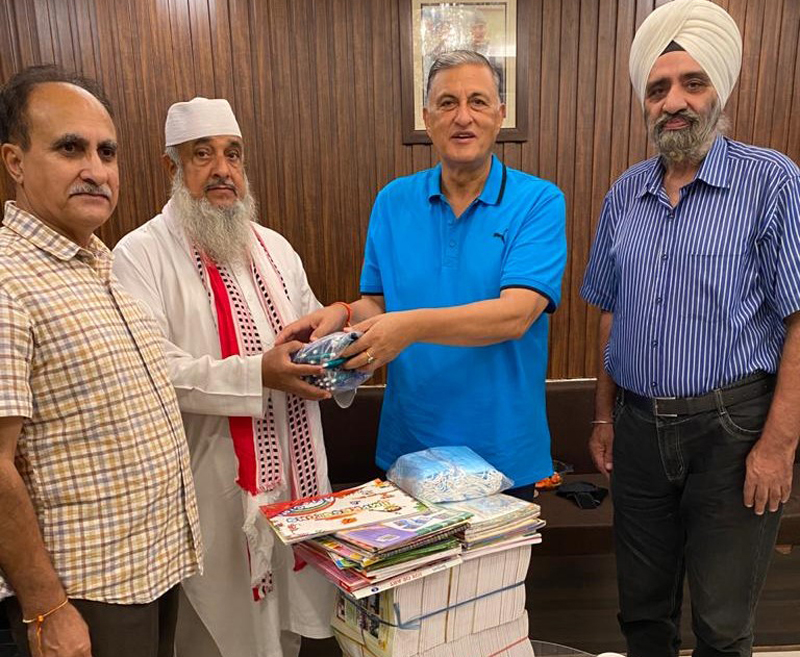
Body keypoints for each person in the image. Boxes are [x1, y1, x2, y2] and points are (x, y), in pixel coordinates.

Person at [580, 1, 800, 655]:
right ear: (645, 102)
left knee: (722, 623)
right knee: (643, 615)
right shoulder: (624, 194)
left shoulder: (773, 182)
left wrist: (779, 445)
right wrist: (602, 415)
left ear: (719, 91)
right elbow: (609, 309)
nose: (673, 100)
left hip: (734, 431)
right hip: (640, 431)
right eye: (658, 88)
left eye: (691, 83)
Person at [278, 51, 567, 498]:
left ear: (501, 116)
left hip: (504, 453)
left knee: (503, 575)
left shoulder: (539, 202)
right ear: (428, 117)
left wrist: (410, 327)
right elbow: (378, 301)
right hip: (409, 448)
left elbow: (516, 315)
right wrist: (340, 314)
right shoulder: (393, 202)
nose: (463, 117)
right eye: (448, 103)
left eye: (478, 101)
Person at [112, 97, 335, 657]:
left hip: (293, 477)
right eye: (202, 154)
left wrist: (341, 354)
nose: (222, 170)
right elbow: (150, 370)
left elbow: (307, 333)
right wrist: (259, 374)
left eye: (232, 155)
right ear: (172, 167)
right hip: (210, 484)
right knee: (217, 635)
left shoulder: (275, 247)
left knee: (286, 626)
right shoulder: (139, 254)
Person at [0, 65, 202, 657]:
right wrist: (46, 608)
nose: (96, 169)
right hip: (85, 594)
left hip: (152, 568)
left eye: (106, 151)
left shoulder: (98, 263)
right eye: (70, 148)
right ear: (15, 161)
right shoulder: (8, 281)